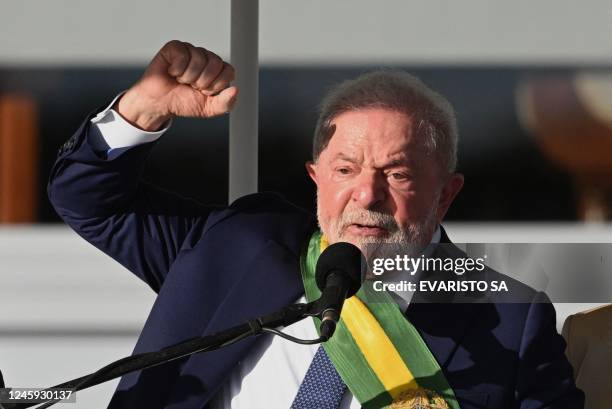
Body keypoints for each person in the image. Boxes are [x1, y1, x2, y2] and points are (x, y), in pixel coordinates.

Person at [48, 41, 584, 408]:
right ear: (316, 178)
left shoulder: (508, 318)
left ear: (446, 193)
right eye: (345, 170)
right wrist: (143, 109)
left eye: (396, 174)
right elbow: (89, 201)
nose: (365, 195)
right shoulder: (237, 244)